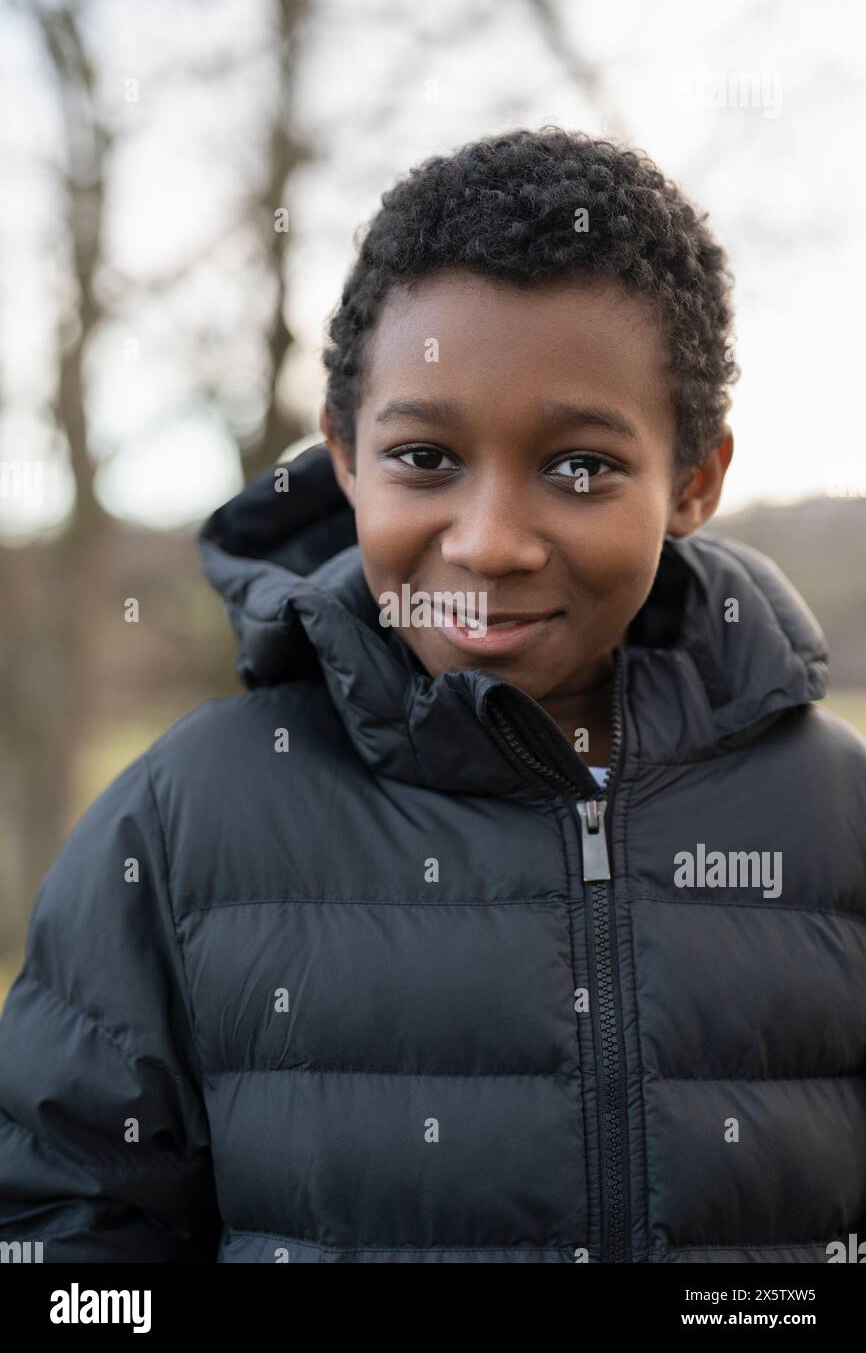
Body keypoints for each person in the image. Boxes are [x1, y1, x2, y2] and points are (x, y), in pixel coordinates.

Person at [1, 127, 864, 1264]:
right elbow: (62, 1226)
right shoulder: (180, 821)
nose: (490, 542)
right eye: (424, 459)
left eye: (579, 468)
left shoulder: (837, 817)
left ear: (692, 481)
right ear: (347, 456)